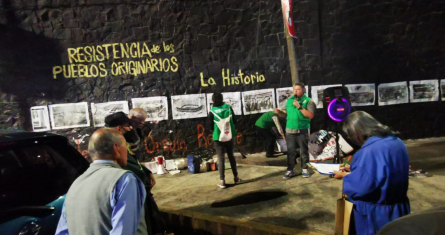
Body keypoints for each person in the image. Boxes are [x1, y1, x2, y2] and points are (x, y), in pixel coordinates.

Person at [55, 128, 146, 235]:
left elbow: (62, 232)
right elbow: (123, 231)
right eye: (125, 147)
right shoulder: (124, 180)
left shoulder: (76, 184)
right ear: (116, 148)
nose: (127, 151)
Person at [333, 111, 410, 235]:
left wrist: (345, 176)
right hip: (398, 210)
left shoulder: (369, 151)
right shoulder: (396, 142)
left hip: (376, 216)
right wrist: (355, 169)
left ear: (357, 132)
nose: (351, 138)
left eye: (350, 135)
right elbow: (383, 172)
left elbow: (361, 188)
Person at [105, 112, 171, 235]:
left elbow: (133, 159)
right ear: (119, 128)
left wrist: (146, 171)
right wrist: (144, 180)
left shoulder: (120, 140)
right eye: (127, 125)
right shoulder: (114, 145)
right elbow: (128, 165)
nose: (130, 128)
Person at [275, 82, 315, 179]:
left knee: (304, 151)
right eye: (294, 89)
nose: (295, 91)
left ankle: (304, 169)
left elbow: (310, 115)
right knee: (291, 151)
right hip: (290, 131)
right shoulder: (289, 101)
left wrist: (300, 107)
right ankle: (290, 170)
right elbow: (286, 114)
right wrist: (280, 112)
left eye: (298, 89)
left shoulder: (309, 101)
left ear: (303, 90)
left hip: (302, 130)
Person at [207, 92, 240, 189]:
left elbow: (209, 126)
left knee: (221, 159)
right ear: (222, 98)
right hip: (229, 135)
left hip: (218, 137)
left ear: (213, 100)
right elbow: (234, 121)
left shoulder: (212, 111)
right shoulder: (228, 108)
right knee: (231, 156)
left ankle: (222, 181)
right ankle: (236, 177)